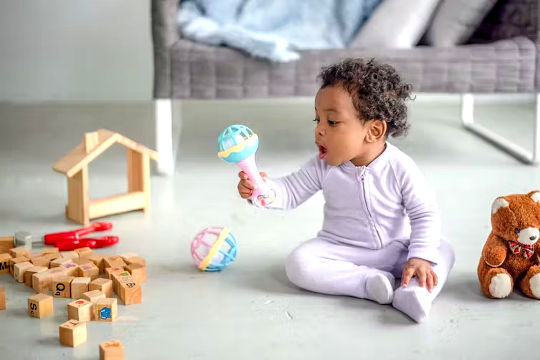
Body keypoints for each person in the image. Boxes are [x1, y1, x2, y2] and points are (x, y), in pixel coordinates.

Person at [237, 58, 455, 323]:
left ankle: (417, 293)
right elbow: (290, 192)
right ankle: (368, 283)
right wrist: (262, 190)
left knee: (442, 250)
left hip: (397, 249)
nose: (318, 130)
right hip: (340, 249)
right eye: (317, 120)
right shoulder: (322, 166)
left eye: (332, 122)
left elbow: (424, 212)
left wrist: (419, 256)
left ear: (373, 130)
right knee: (299, 263)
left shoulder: (399, 167)